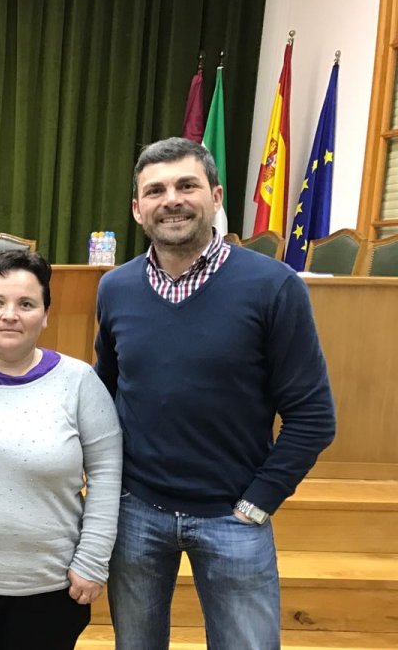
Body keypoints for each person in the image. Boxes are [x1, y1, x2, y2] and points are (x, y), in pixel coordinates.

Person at [95, 137, 336, 650]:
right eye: (155, 190)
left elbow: (314, 416)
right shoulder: (115, 288)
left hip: (234, 517)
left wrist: (259, 501)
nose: (172, 200)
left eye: (187, 185)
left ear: (216, 196)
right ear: (137, 208)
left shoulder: (274, 286)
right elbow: (104, 393)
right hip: (136, 513)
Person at [0, 250, 122, 649]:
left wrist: (93, 560)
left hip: (51, 586)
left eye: (26, 304)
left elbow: (106, 473)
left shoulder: (79, 381)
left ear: (46, 315)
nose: (10, 315)